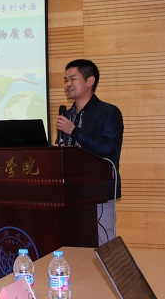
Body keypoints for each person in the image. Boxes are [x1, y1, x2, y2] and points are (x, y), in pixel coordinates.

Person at [56, 59, 123, 245]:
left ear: (90, 81)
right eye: (65, 80)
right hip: (70, 194)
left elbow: (108, 148)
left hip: (99, 192)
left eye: (73, 79)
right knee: (73, 246)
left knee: (105, 246)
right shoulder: (67, 115)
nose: (68, 84)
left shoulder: (108, 112)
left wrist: (74, 131)